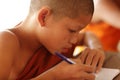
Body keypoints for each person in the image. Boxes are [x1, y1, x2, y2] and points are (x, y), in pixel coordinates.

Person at [0, 0, 106, 80]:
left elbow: (88, 35)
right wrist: (54, 75)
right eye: (72, 30)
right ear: (44, 17)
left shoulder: (51, 39)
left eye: (78, 31)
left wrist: (96, 48)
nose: (74, 40)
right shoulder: (7, 41)